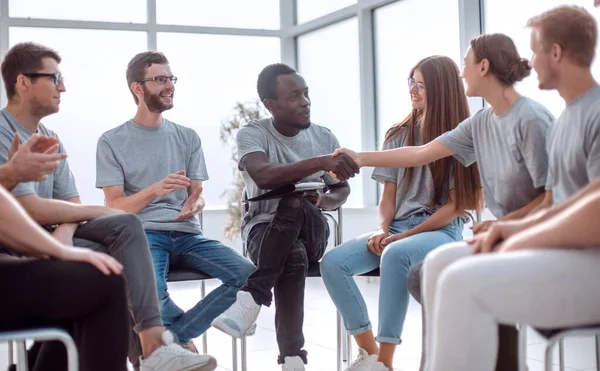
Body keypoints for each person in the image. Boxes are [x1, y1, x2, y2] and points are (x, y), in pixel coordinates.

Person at [334, 33, 554, 371]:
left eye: (466, 64)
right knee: (420, 274)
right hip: (498, 235)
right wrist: (359, 158)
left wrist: (503, 224)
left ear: (483, 66)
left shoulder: (530, 119)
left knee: (423, 268)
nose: (462, 72)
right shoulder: (480, 122)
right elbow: (420, 153)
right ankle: (389, 361)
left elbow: (552, 197)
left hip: (527, 238)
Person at [0, 42, 217, 371]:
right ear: (23, 82)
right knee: (108, 264)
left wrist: (65, 231)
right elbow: (29, 208)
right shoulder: (3, 131)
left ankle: (154, 347)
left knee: (125, 227)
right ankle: (151, 349)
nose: (63, 87)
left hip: (50, 233)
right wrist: (96, 212)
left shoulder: (49, 135)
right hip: (14, 243)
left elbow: (69, 202)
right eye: (54, 78)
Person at [421, 5, 600, 370]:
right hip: (570, 254)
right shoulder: (569, 115)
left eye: (535, 50)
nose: (530, 61)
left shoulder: (591, 114)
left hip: (590, 259)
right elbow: (563, 200)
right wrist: (513, 227)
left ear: (556, 52)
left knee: (461, 282)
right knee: (439, 262)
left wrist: (521, 237)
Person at [320, 56, 483, 371]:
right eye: (412, 82)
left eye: (421, 84)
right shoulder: (397, 134)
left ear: (442, 90)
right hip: (396, 229)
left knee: (395, 254)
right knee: (333, 263)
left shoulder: (462, 137)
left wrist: (403, 237)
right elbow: (388, 196)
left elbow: (455, 206)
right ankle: (369, 355)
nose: (413, 90)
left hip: (441, 231)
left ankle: (385, 360)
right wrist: (383, 229)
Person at [96, 51, 255, 351]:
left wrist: (194, 205)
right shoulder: (111, 141)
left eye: (171, 78)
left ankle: (174, 340)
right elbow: (115, 205)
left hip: (187, 234)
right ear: (137, 88)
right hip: (143, 235)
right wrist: (155, 190)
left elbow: (197, 195)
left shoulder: (188, 137)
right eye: (160, 79)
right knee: (149, 294)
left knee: (249, 277)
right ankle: (174, 345)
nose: (169, 85)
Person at [211, 63, 359, 371]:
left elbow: (341, 190)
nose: (305, 102)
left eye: (305, 94)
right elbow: (263, 176)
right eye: (294, 96)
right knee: (292, 254)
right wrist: (319, 162)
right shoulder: (253, 134)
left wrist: (323, 199)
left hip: (314, 229)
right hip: (263, 233)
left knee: (294, 204)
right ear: (271, 104)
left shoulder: (323, 136)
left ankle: (253, 297)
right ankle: (292, 359)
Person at [0, 134, 128, 371]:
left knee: (84, 287)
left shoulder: (51, 138)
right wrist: (59, 250)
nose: (63, 93)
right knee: (103, 284)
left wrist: (61, 244)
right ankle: (154, 345)